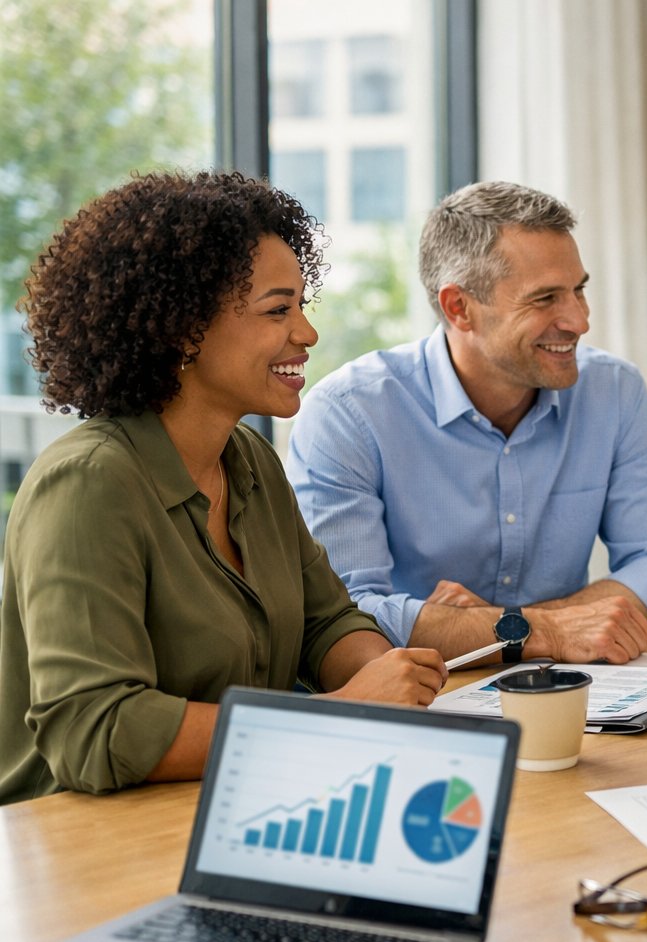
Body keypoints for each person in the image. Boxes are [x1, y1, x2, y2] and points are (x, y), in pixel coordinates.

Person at [0, 172, 448, 805]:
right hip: (79, 849)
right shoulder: (88, 484)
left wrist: (385, 675)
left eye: (301, 305)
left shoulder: (249, 462)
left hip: (230, 811)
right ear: (183, 330)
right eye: (277, 310)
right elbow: (95, 730)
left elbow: (325, 623)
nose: (307, 334)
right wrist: (341, 715)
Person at [286, 182, 647, 666]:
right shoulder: (349, 414)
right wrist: (543, 631)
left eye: (579, 290)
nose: (579, 320)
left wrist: (494, 624)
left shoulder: (613, 392)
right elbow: (342, 619)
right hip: (424, 704)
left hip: (575, 695)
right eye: (545, 298)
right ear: (458, 308)